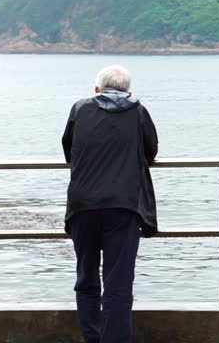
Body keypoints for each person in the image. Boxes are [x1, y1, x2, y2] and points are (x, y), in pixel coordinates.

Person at [62, 64, 159, 343]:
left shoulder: (80, 110)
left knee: (86, 278)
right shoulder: (138, 112)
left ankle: (92, 338)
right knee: (118, 282)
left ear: (96, 90)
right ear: (129, 91)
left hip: (83, 204)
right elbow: (150, 151)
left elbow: (69, 150)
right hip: (123, 206)